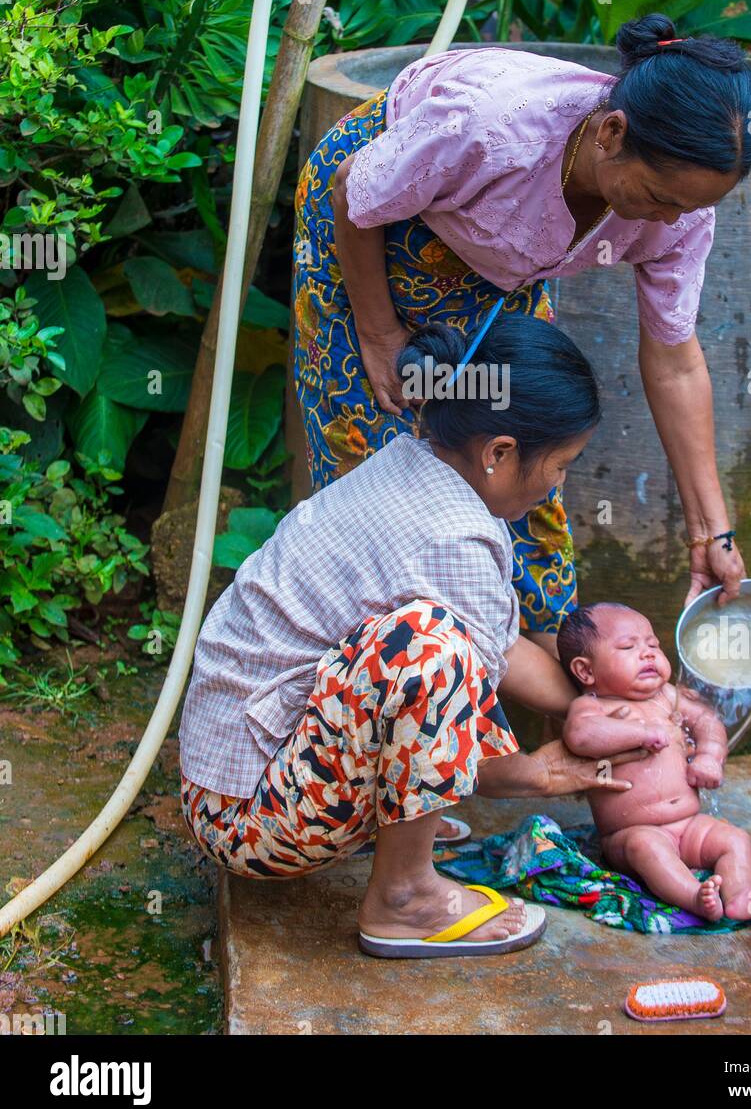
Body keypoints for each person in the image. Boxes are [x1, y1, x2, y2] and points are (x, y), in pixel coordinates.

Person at [293, 15, 751, 666]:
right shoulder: (491, 128)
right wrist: (376, 334)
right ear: (611, 133)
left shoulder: (677, 212)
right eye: (658, 197)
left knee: (524, 456)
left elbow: (676, 361)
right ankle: (383, 685)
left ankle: (531, 683)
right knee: (381, 451)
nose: (670, 221)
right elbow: (356, 192)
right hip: (378, 227)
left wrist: (712, 528)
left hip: (504, 258)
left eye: (686, 208)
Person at [179, 315, 648, 958]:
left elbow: (503, 650)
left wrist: (621, 703)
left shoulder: (414, 465)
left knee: (434, 646)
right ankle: (405, 899)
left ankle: (383, 835)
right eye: (561, 466)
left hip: (242, 777)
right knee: (425, 647)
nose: (557, 485)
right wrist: (538, 773)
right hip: (249, 823)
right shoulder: (449, 536)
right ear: (499, 453)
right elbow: (459, 700)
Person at [559, 602, 751, 921]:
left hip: (688, 823)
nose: (648, 653)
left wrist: (710, 756)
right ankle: (694, 897)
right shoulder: (593, 707)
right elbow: (581, 735)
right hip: (631, 833)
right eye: (629, 646)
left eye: (653, 644)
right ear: (586, 671)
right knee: (649, 849)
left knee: (735, 839)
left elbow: (708, 721)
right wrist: (635, 733)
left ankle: (741, 896)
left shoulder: (667, 696)